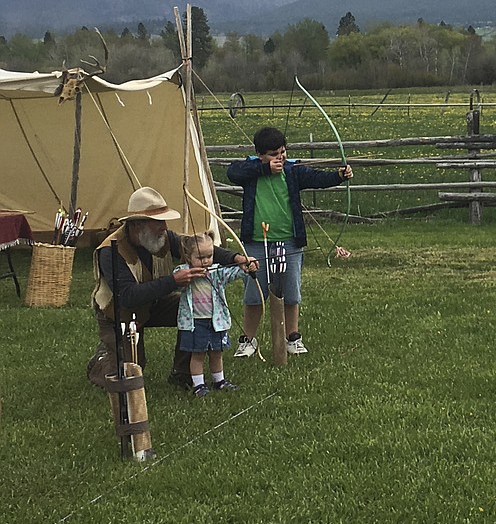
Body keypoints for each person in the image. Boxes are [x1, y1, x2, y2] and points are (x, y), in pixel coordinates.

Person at [87, 187, 257, 390]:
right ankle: (100, 360)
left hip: (153, 303)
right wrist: (174, 281)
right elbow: (128, 297)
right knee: (128, 375)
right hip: (119, 315)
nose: (164, 227)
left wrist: (236, 259)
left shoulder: (161, 237)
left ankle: (183, 373)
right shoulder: (110, 250)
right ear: (138, 224)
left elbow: (197, 248)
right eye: (159, 222)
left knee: (191, 307)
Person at [226, 126, 353, 357]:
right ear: (261, 155)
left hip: (289, 241)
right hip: (256, 242)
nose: (280, 157)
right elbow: (233, 173)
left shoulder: (292, 171)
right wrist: (265, 169)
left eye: (282, 152)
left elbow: (317, 178)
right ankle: (248, 341)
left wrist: (338, 176)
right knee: (254, 294)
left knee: (291, 293)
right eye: (274, 154)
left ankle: (292, 338)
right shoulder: (251, 170)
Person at [175, 231, 257, 396]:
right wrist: (187, 276)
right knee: (197, 354)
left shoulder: (217, 271)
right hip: (195, 322)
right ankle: (198, 385)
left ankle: (219, 380)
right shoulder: (183, 271)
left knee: (216, 352)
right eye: (200, 257)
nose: (205, 261)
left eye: (209, 256)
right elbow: (176, 283)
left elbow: (234, 272)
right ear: (188, 256)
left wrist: (247, 266)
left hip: (215, 321)